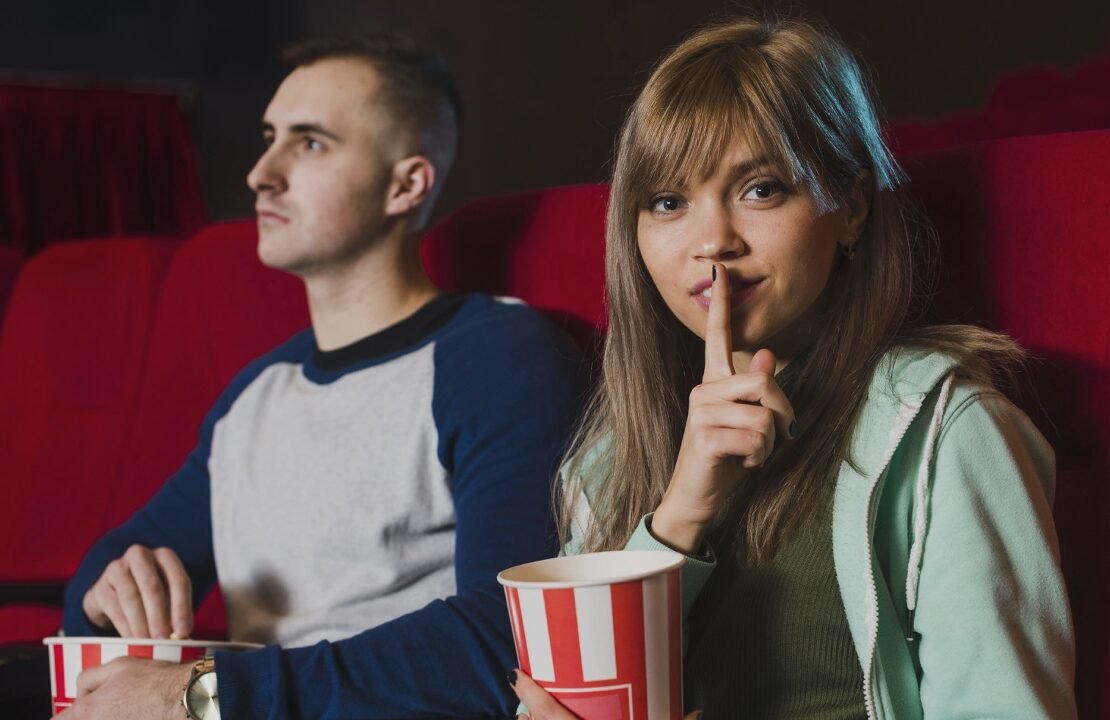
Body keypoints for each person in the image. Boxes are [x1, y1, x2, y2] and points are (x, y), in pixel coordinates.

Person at [510, 17, 1076, 720]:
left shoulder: (946, 431)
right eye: (667, 202)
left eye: (761, 189)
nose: (712, 241)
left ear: (853, 209)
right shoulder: (602, 466)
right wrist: (680, 513)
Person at [60, 35, 585, 719]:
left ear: (407, 184)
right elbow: (91, 591)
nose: (260, 173)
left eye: (309, 143)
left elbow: (508, 637)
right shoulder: (256, 393)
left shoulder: (499, 357)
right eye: (269, 136)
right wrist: (114, 587)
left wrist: (200, 697)